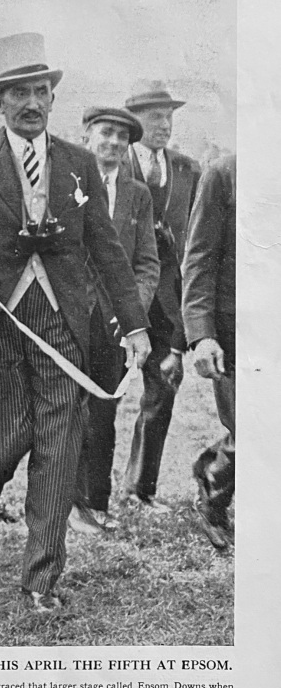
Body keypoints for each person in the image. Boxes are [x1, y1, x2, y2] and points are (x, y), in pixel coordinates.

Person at [0, 32, 151, 614]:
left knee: (60, 449)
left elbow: (109, 253)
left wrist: (135, 326)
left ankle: (42, 578)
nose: (33, 102)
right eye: (20, 93)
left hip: (64, 325)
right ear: (0, 102)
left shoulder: (79, 163)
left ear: (52, 98)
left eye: (41, 91)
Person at [70, 106, 160, 534]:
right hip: (68, 314)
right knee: (63, 408)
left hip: (114, 322)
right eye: (105, 133)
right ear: (86, 136)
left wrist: (129, 317)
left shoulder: (137, 194)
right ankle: (64, 500)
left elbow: (146, 264)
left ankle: (95, 501)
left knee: (104, 410)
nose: (114, 143)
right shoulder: (65, 181)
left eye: (122, 138)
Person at [121, 79, 200, 512]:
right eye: (155, 116)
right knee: (96, 400)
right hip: (119, 299)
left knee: (162, 393)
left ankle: (139, 489)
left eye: (169, 116)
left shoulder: (188, 170)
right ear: (134, 121)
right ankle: (85, 496)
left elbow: (197, 245)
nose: (164, 124)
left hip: (168, 306)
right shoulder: (112, 165)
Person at [182, 153, 236, 550]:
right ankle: (213, 490)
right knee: (251, 429)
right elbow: (199, 257)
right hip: (239, 326)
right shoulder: (224, 173)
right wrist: (202, 335)